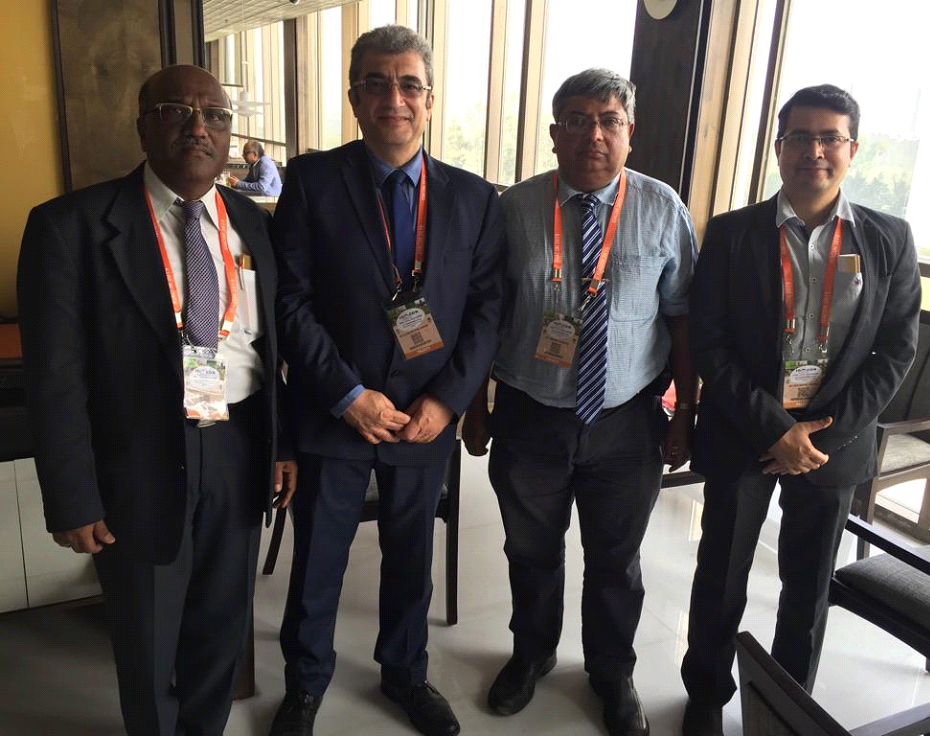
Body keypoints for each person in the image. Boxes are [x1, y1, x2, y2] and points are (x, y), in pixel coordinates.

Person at [16, 64, 297, 736]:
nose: (199, 127)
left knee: (222, 624)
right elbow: (55, 377)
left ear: (231, 137)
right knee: (147, 634)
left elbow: (269, 348)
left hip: (238, 445)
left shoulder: (251, 223)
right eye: (177, 110)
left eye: (216, 115)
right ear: (143, 126)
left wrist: (282, 446)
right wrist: (73, 496)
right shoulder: (70, 226)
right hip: (136, 459)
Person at [269, 25, 504, 736]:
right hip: (333, 412)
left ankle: (405, 674)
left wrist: (449, 401)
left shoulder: (473, 197)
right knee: (318, 561)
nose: (393, 98)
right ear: (354, 97)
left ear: (430, 99)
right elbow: (289, 302)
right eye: (376, 83)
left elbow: (487, 309)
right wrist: (347, 396)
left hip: (424, 419)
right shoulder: (312, 181)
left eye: (408, 84)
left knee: (410, 557)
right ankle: (305, 685)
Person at [462, 68, 698, 736]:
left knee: (616, 561)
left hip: (627, 418)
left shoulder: (662, 208)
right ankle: (532, 653)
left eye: (608, 121)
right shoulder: (513, 209)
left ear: (629, 132)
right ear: (553, 132)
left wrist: (684, 411)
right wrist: (475, 406)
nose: (593, 134)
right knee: (530, 550)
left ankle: (611, 672)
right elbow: (485, 313)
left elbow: (682, 317)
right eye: (576, 120)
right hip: (529, 413)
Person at [680, 84, 920, 736]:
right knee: (720, 577)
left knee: (808, 590)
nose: (815, 150)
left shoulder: (889, 238)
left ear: (852, 149)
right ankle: (705, 695)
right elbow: (710, 342)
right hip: (744, 434)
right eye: (801, 137)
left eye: (829, 138)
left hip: (832, 445)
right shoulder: (731, 233)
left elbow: (895, 349)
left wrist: (819, 438)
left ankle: (785, 707)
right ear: (778, 147)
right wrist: (774, 429)